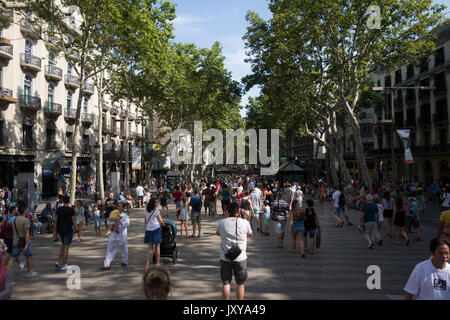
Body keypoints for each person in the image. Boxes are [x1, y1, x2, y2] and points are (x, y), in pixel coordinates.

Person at [216, 201, 253, 300]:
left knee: (226, 283)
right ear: (238, 212)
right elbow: (250, 234)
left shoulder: (222, 222)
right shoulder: (245, 222)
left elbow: (218, 233)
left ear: (227, 211)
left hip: (225, 256)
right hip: (241, 257)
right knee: (240, 284)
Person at [7, 205, 38, 278]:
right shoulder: (25, 220)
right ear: (24, 211)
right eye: (26, 210)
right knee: (29, 256)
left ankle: (5, 272)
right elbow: (27, 234)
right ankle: (29, 272)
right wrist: (27, 244)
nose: (27, 211)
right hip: (24, 241)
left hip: (15, 240)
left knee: (13, 257)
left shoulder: (14, 219)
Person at [100, 203, 130, 270]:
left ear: (123, 208)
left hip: (121, 236)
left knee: (123, 250)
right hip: (113, 235)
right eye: (118, 206)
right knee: (110, 250)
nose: (118, 207)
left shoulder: (125, 216)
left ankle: (125, 261)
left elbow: (127, 224)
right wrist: (114, 222)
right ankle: (107, 265)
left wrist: (121, 223)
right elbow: (108, 222)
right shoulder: (113, 214)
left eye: (120, 206)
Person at [53, 196, 78, 271]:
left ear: (63, 201)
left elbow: (56, 221)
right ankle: (64, 264)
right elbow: (74, 220)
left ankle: (58, 261)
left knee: (63, 245)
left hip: (60, 230)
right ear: (69, 201)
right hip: (68, 230)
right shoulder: (71, 210)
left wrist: (55, 231)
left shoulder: (58, 210)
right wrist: (77, 228)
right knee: (66, 247)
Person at [144, 199, 165, 271]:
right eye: (156, 202)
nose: (158, 203)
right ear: (154, 204)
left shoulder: (146, 211)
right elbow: (161, 221)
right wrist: (163, 224)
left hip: (148, 230)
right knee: (157, 247)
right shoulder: (156, 211)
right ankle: (157, 263)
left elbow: (145, 222)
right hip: (156, 230)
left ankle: (147, 266)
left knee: (150, 249)